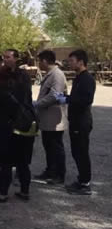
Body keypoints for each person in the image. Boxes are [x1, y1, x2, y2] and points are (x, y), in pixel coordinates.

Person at [0, 49, 35, 203]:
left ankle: (8, 193)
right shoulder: (9, 76)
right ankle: (15, 191)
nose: (5, 60)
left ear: (16, 59)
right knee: (16, 161)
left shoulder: (17, 77)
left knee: (12, 161)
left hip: (12, 123)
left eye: (8, 57)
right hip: (15, 121)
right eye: (4, 57)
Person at [56, 50, 96, 195]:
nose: (70, 63)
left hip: (82, 121)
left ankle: (85, 183)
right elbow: (76, 97)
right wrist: (65, 97)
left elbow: (87, 100)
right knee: (76, 151)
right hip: (75, 121)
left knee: (81, 152)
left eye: (72, 61)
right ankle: (81, 179)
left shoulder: (87, 79)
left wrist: (68, 99)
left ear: (81, 62)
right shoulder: (78, 78)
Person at [33, 50, 68, 185]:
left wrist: (37, 104)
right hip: (47, 118)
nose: (38, 64)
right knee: (48, 146)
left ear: (45, 61)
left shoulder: (57, 75)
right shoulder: (50, 74)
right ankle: (50, 171)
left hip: (54, 118)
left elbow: (54, 95)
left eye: (39, 61)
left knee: (56, 146)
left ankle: (59, 174)